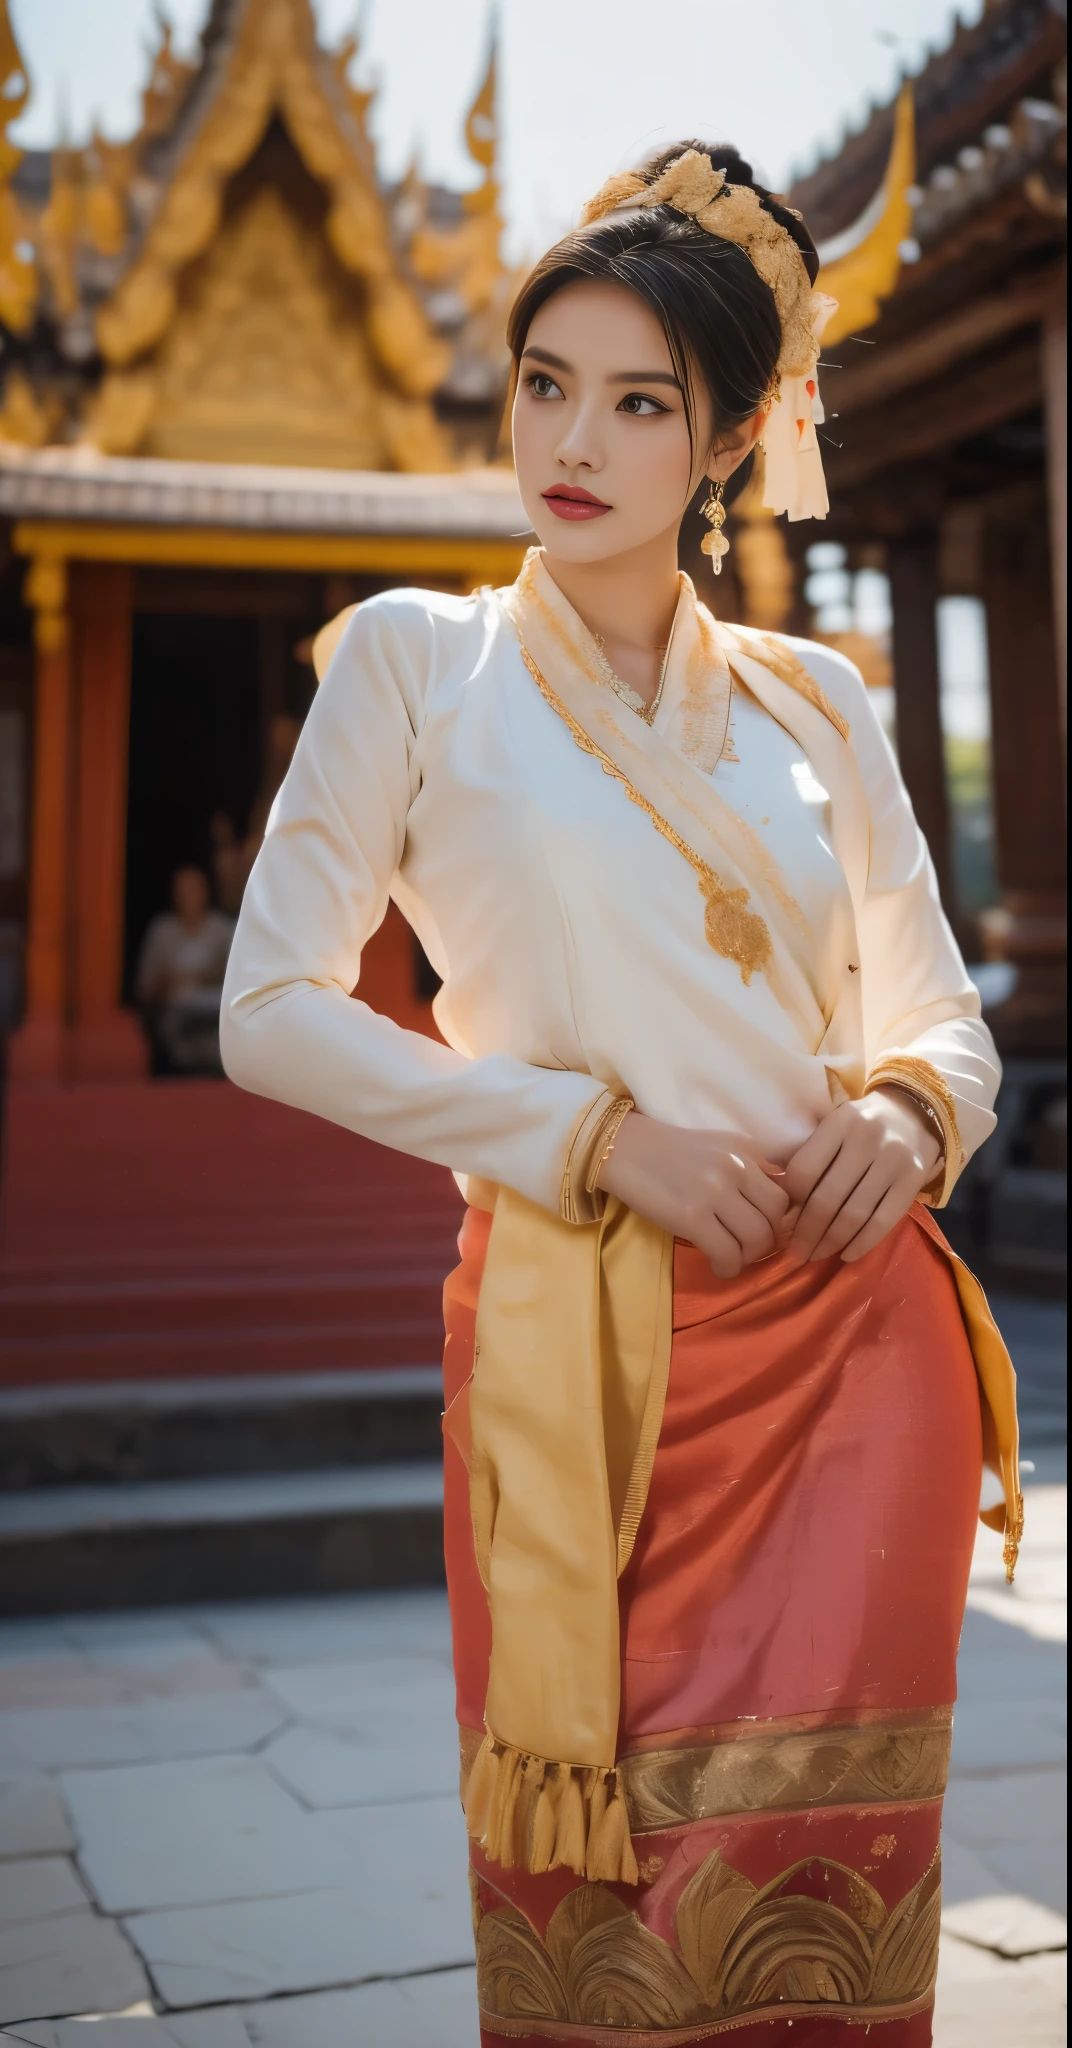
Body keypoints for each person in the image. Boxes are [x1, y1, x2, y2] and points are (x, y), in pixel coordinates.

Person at [221, 144, 1020, 2047]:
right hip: (587, 1364)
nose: (571, 437)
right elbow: (268, 1008)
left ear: (730, 434)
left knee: (838, 1939)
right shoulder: (419, 664)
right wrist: (584, 1135)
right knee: (613, 1931)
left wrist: (908, 1117)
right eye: (545, 381)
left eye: (639, 400)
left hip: (851, 1349)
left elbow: (943, 1012)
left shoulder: (817, 703)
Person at [136, 865, 234, 1074]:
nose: (188, 896)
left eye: (193, 889)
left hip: (214, 1010)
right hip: (175, 1011)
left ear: (206, 891)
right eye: (182, 890)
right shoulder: (161, 931)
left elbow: (235, 978)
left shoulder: (223, 930)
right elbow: (146, 985)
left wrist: (199, 977)